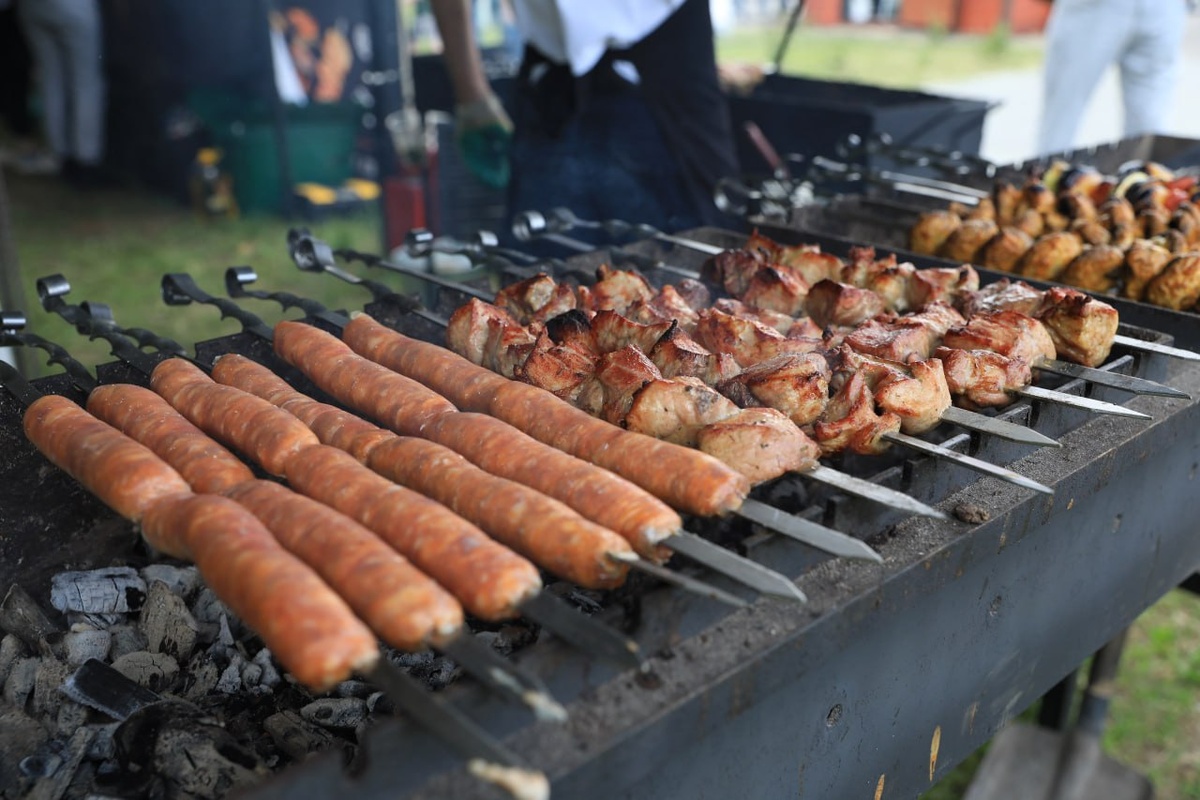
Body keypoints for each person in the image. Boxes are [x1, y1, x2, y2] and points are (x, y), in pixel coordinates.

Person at [429, 0, 741, 236]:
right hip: (551, 74)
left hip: (666, 55)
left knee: (703, 248)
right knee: (538, 256)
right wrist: (472, 96)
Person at [1037, 0, 1191, 155]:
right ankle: (1046, 169)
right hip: (1095, 7)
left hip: (1165, 7)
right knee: (1061, 121)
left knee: (1150, 133)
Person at [16, 0, 108, 185]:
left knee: (51, 80)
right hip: (74, 8)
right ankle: (86, 158)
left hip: (32, 8)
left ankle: (58, 152)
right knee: (85, 82)